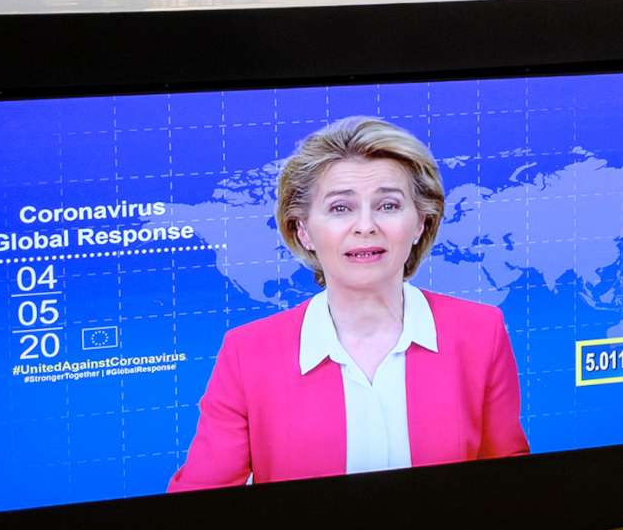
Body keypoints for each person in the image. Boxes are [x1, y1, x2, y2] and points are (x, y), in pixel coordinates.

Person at [170, 117, 527, 490]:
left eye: (388, 205)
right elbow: (197, 506)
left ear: (421, 221)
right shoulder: (248, 352)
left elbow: (509, 487)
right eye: (341, 208)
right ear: (303, 230)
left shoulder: (480, 332)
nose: (366, 226)